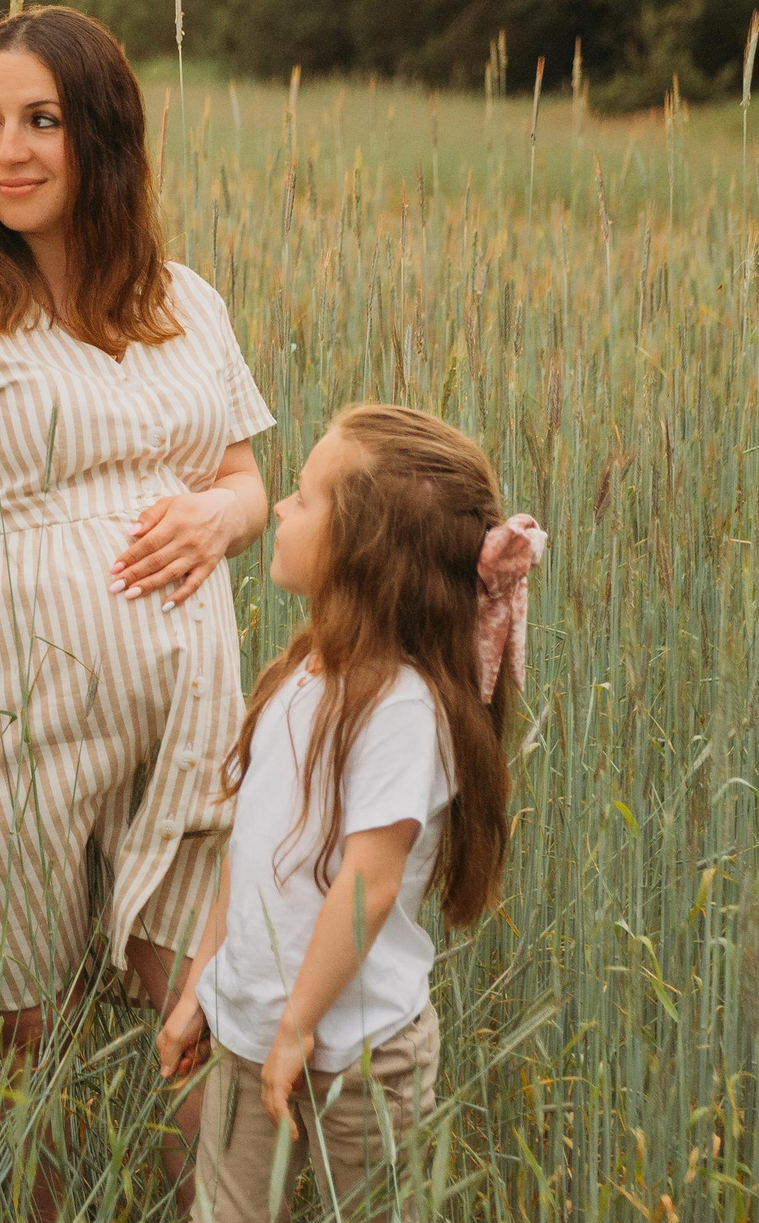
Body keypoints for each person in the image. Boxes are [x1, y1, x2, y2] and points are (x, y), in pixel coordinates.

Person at [0, 4, 274, 1178]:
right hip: (18, 719)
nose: (8, 150)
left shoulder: (183, 299)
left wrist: (217, 514)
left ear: (104, 135)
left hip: (190, 719)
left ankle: (226, 1210)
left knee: (208, 995)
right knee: (18, 1018)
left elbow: (250, 483)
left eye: (41, 119)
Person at [156, 404, 544, 1223]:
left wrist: (299, 1028)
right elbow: (251, 852)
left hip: (361, 1061)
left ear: (361, 551)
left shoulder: (402, 707)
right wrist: (202, 986)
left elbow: (367, 884)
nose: (283, 511)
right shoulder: (304, 674)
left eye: (301, 497)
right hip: (253, 1031)